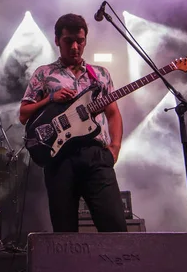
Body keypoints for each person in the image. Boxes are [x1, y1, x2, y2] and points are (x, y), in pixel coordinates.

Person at [19, 13, 127, 232]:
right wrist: (50, 98)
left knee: (115, 228)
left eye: (80, 41)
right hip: (59, 158)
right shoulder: (44, 73)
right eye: (69, 41)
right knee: (64, 233)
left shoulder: (100, 74)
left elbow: (113, 113)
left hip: (96, 155)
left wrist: (115, 148)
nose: (75, 47)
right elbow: (23, 114)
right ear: (57, 40)